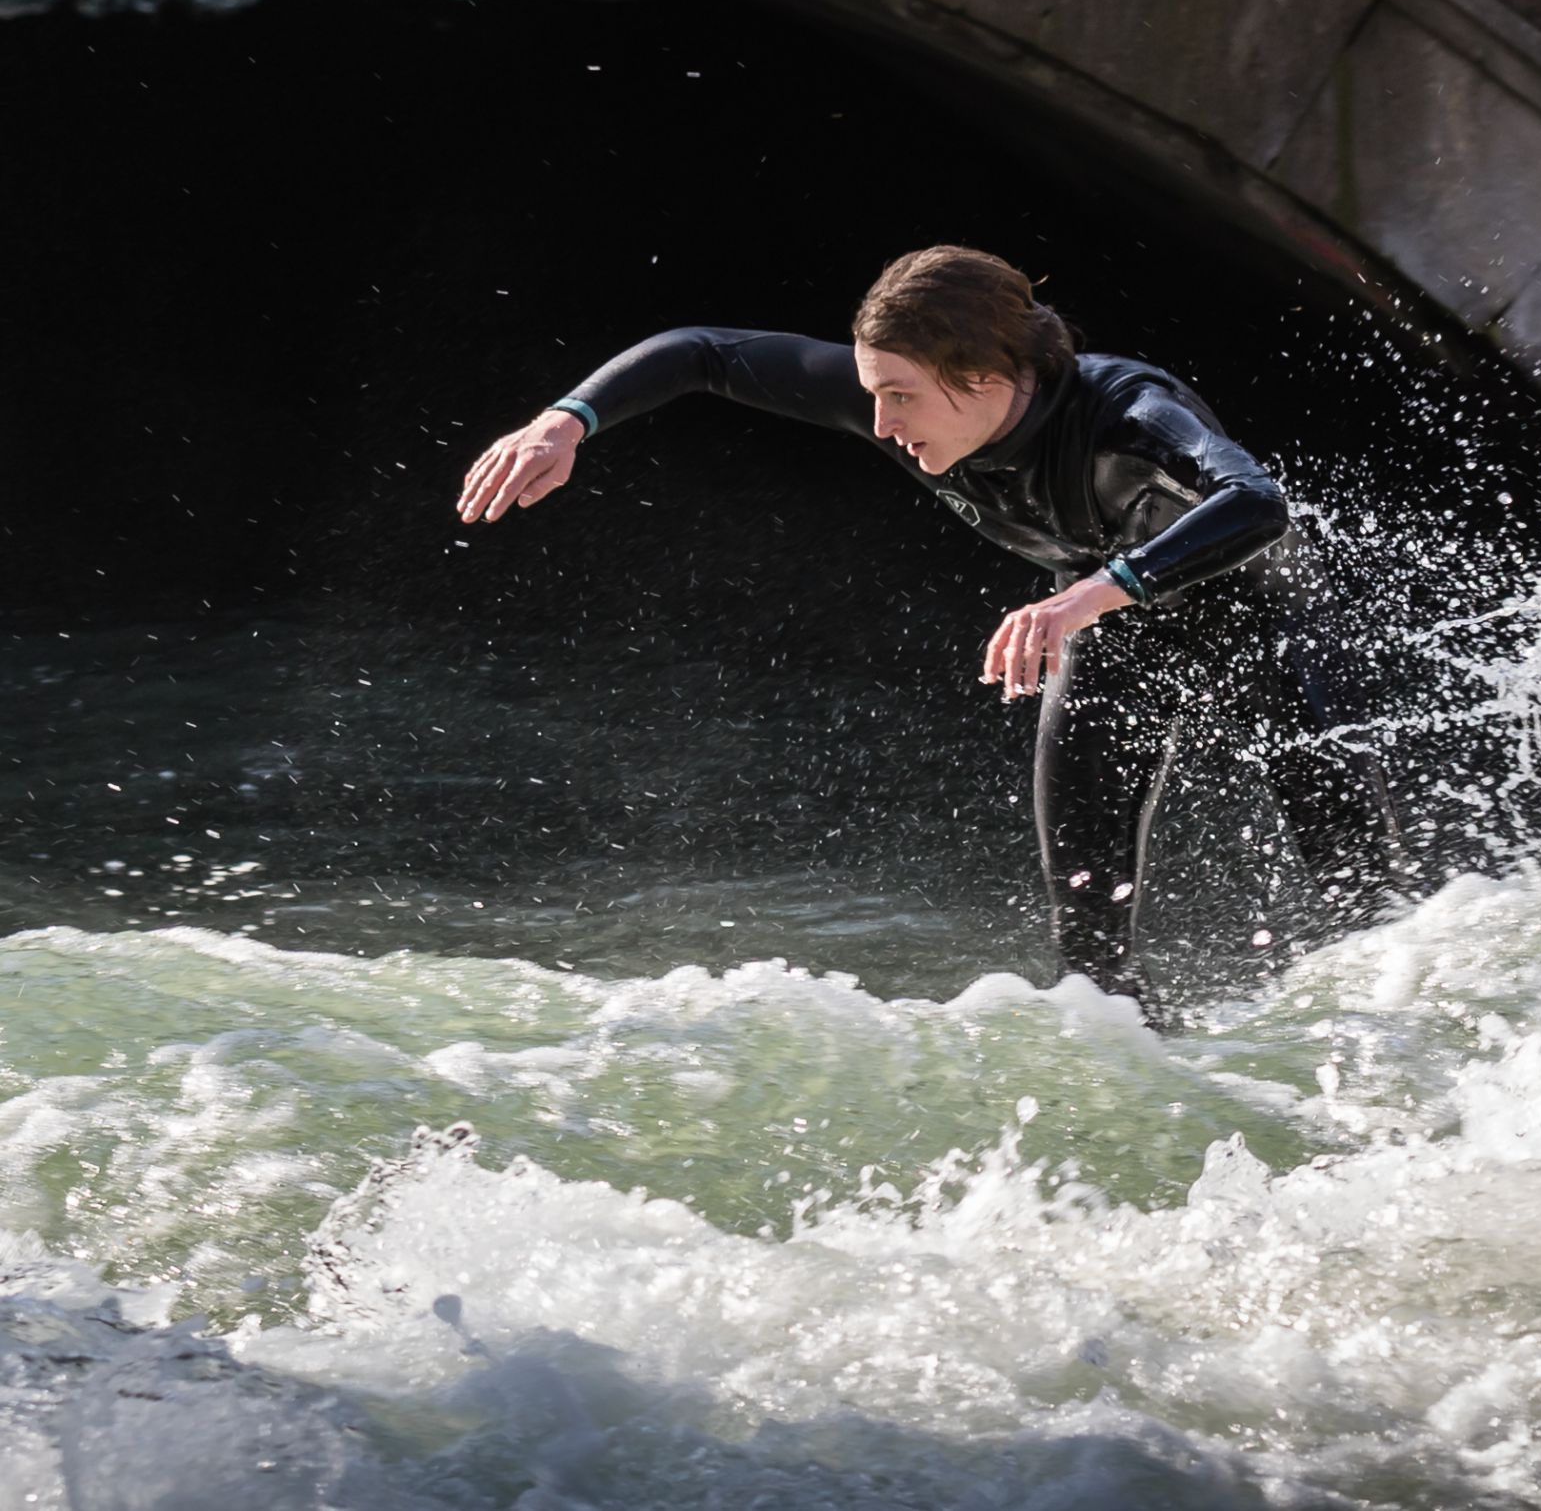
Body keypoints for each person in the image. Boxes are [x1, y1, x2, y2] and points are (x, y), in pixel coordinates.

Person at [456, 245, 1406, 1016]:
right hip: (1118, 628)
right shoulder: (908, 408)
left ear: (985, 378)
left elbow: (1257, 503)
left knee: (1364, 903)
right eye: (873, 392)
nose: (881, 421)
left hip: (1274, 635)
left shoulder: (1128, 414)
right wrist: (566, 422)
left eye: (901, 396)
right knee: (1086, 948)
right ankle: (1152, 1099)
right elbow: (706, 351)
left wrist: (1085, 595)